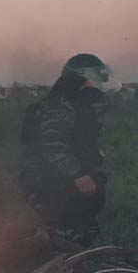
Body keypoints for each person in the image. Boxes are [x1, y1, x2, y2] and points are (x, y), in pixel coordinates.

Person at [20, 53, 120, 246]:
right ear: (80, 78)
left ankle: (74, 264)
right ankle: (58, 268)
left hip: (62, 181)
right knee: (65, 235)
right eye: (95, 77)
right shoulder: (58, 106)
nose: (99, 82)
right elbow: (53, 146)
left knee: (82, 229)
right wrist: (79, 174)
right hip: (47, 182)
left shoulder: (78, 104)